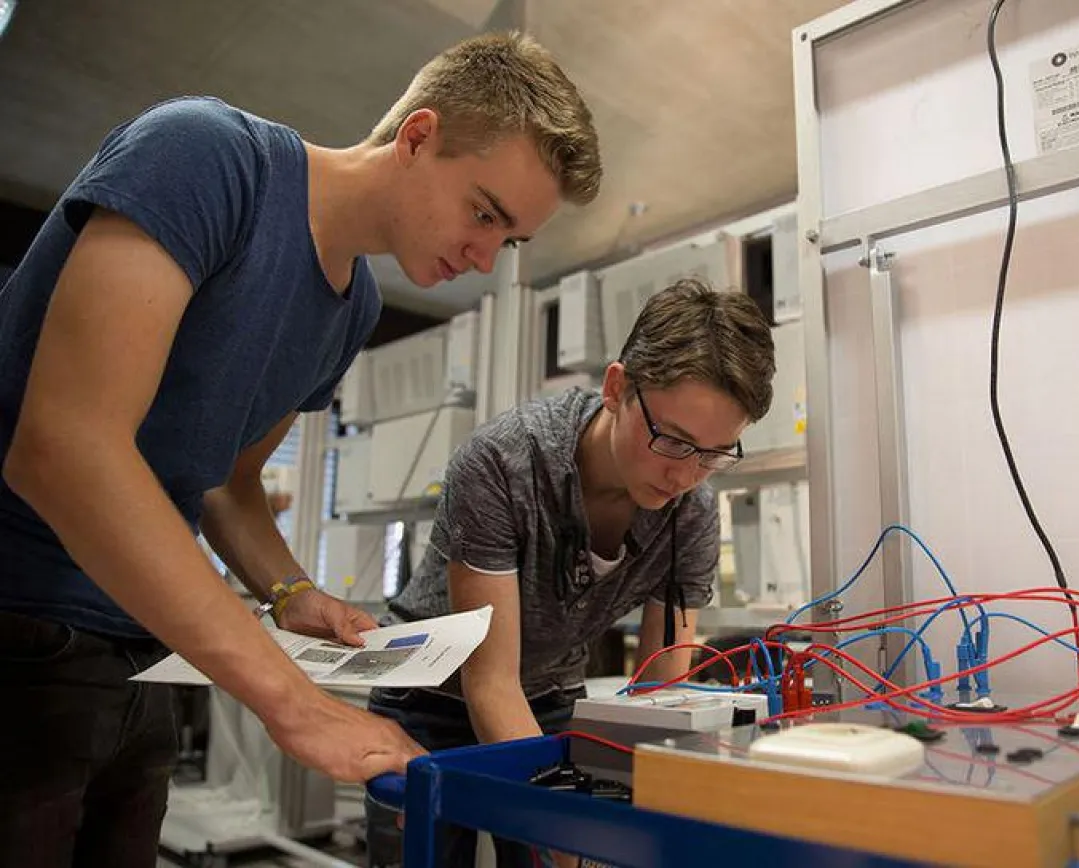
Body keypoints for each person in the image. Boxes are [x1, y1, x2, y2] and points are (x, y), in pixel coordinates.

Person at [0, 31, 601, 868]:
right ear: (418, 137)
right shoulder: (209, 156)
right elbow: (65, 446)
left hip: (138, 654)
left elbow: (231, 483)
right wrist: (296, 702)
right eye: (484, 212)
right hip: (22, 625)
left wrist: (289, 591)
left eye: (510, 240)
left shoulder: (351, 303)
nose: (483, 257)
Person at [367, 277, 776, 867]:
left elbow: (662, 687)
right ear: (617, 388)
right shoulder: (504, 464)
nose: (687, 476)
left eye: (715, 454)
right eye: (675, 441)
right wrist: (568, 824)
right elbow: (490, 683)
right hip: (431, 699)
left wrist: (636, 813)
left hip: (554, 693)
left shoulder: (693, 513)